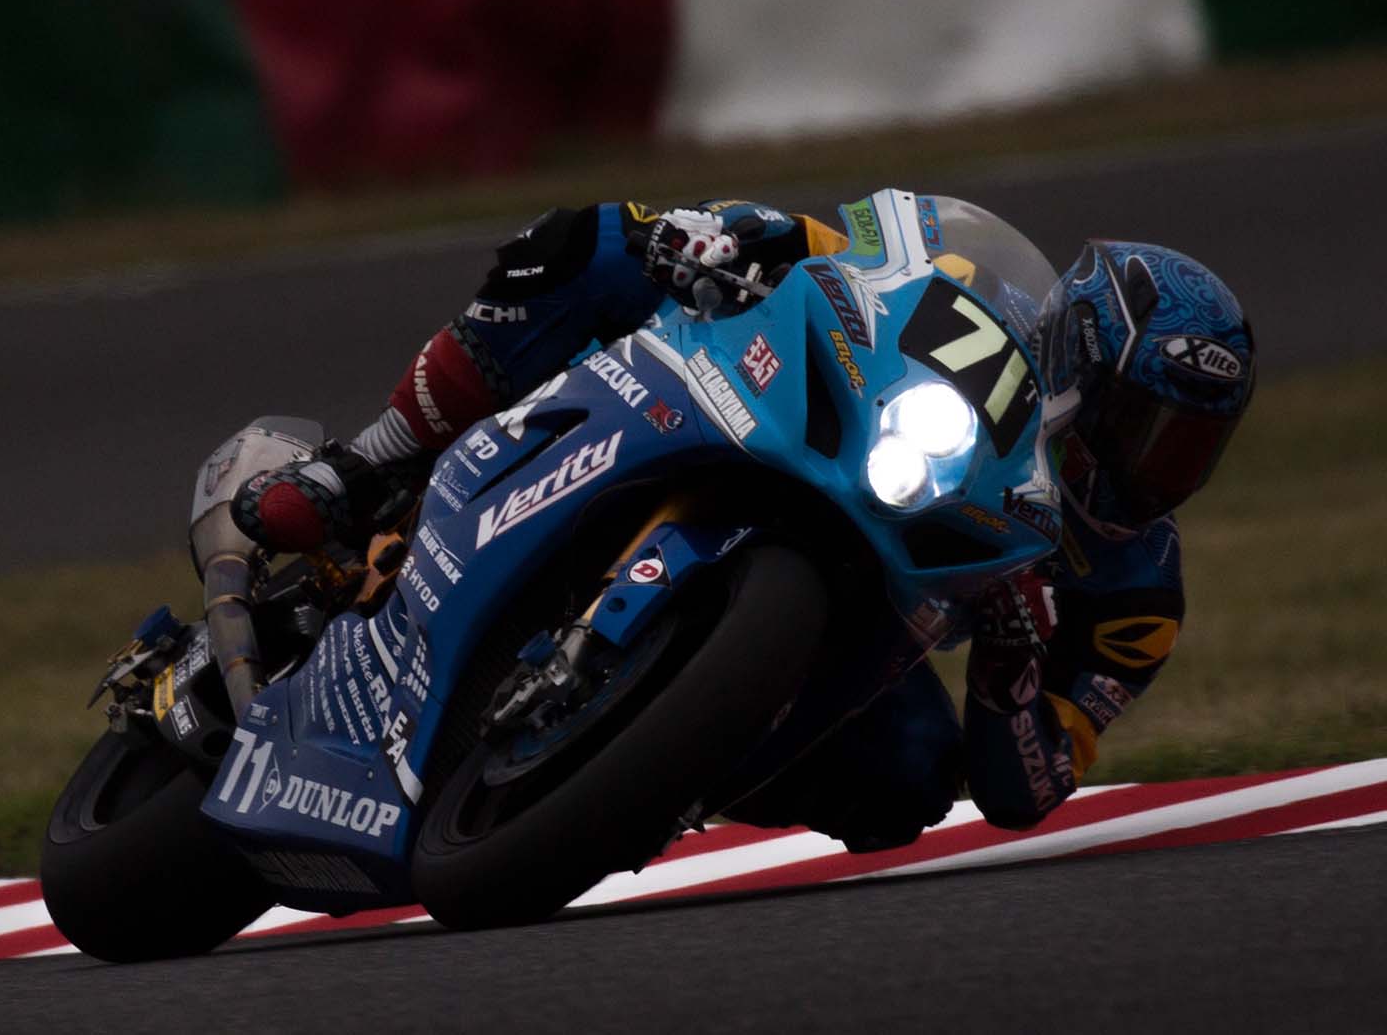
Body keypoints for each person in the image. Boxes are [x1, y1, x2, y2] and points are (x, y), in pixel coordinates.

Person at [230, 199, 1256, 850]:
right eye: (1141, 427)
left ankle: (650, 770)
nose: (1151, 468)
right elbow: (839, 248)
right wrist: (728, 234)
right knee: (597, 242)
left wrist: (1011, 672)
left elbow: (1028, 790)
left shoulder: (1137, 595)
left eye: (1186, 450)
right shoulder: (973, 301)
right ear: (1080, 360)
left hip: (876, 614)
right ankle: (366, 462)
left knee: (907, 785)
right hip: (796, 431)